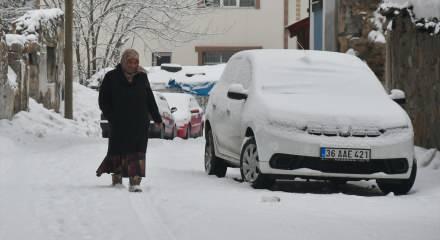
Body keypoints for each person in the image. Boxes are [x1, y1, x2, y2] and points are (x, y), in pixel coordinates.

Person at [96, 49, 162, 192]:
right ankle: (117, 178)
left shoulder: (142, 77)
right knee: (117, 150)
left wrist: (157, 117)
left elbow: (149, 99)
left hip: (139, 122)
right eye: (130, 62)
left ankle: (135, 181)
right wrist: (111, 116)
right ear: (124, 61)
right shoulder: (111, 77)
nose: (133, 65)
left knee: (138, 152)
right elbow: (103, 100)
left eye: (136, 62)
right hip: (119, 122)